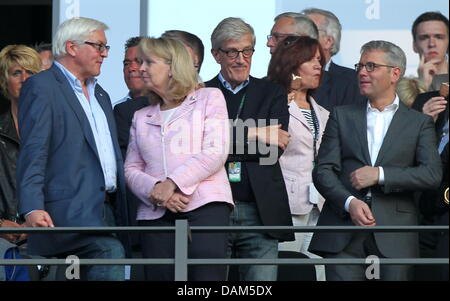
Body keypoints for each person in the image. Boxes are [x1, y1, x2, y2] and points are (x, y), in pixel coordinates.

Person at [309, 40, 442, 281]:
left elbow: (431, 174)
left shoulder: (418, 123)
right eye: (360, 65)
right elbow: (322, 171)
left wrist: (380, 174)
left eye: (371, 66)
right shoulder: (341, 114)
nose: (361, 72)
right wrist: (349, 202)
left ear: (395, 73)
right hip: (343, 234)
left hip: (396, 236)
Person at [17, 17, 129, 281]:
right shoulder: (42, 87)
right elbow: (34, 151)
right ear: (71, 47)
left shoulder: (101, 94)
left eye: (106, 48)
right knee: (109, 251)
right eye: (98, 46)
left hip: (109, 210)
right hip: (66, 213)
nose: (104, 54)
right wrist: (32, 207)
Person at [124, 37, 233, 281]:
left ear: (172, 67)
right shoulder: (141, 115)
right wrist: (156, 191)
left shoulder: (209, 98)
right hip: (155, 212)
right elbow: (131, 168)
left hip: (205, 207)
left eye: (149, 62)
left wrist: (171, 183)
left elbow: (215, 151)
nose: (141, 68)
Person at [206, 17, 294, 281]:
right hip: (212, 209)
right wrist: (256, 132)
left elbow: (272, 149)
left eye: (247, 51)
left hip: (260, 211)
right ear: (216, 54)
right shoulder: (201, 93)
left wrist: (221, 143)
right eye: (232, 51)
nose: (241, 59)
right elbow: (199, 148)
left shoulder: (271, 92)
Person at [267, 36, 329, 281]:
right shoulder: (275, 103)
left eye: (319, 61)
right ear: (292, 64)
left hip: (319, 206)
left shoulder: (323, 111)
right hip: (287, 206)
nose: (318, 66)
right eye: (311, 60)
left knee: (318, 275)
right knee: (286, 274)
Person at [0, 45, 41, 281]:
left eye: (31, 73)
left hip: (47, 235)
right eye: (17, 73)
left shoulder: (57, 130)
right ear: (5, 81)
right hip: (3, 239)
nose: (24, 79)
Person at [301, 8, 365, 111]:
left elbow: (352, 124)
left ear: (328, 41)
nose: (298, 37)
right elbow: (267, 119)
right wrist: (269, 127)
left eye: (308, 31)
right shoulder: (281, 78)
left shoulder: (352, 81)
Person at [412, 11, 449, 90]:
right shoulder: (401, 90)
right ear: (414, 45)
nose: (432, 44)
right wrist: (422, 86)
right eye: (424, 38)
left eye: (439, 37)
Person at [112, 37, 146, 108]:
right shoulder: (113, 111)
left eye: (139, 61)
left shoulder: (169, 108)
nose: (131, 68)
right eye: (126, 64)